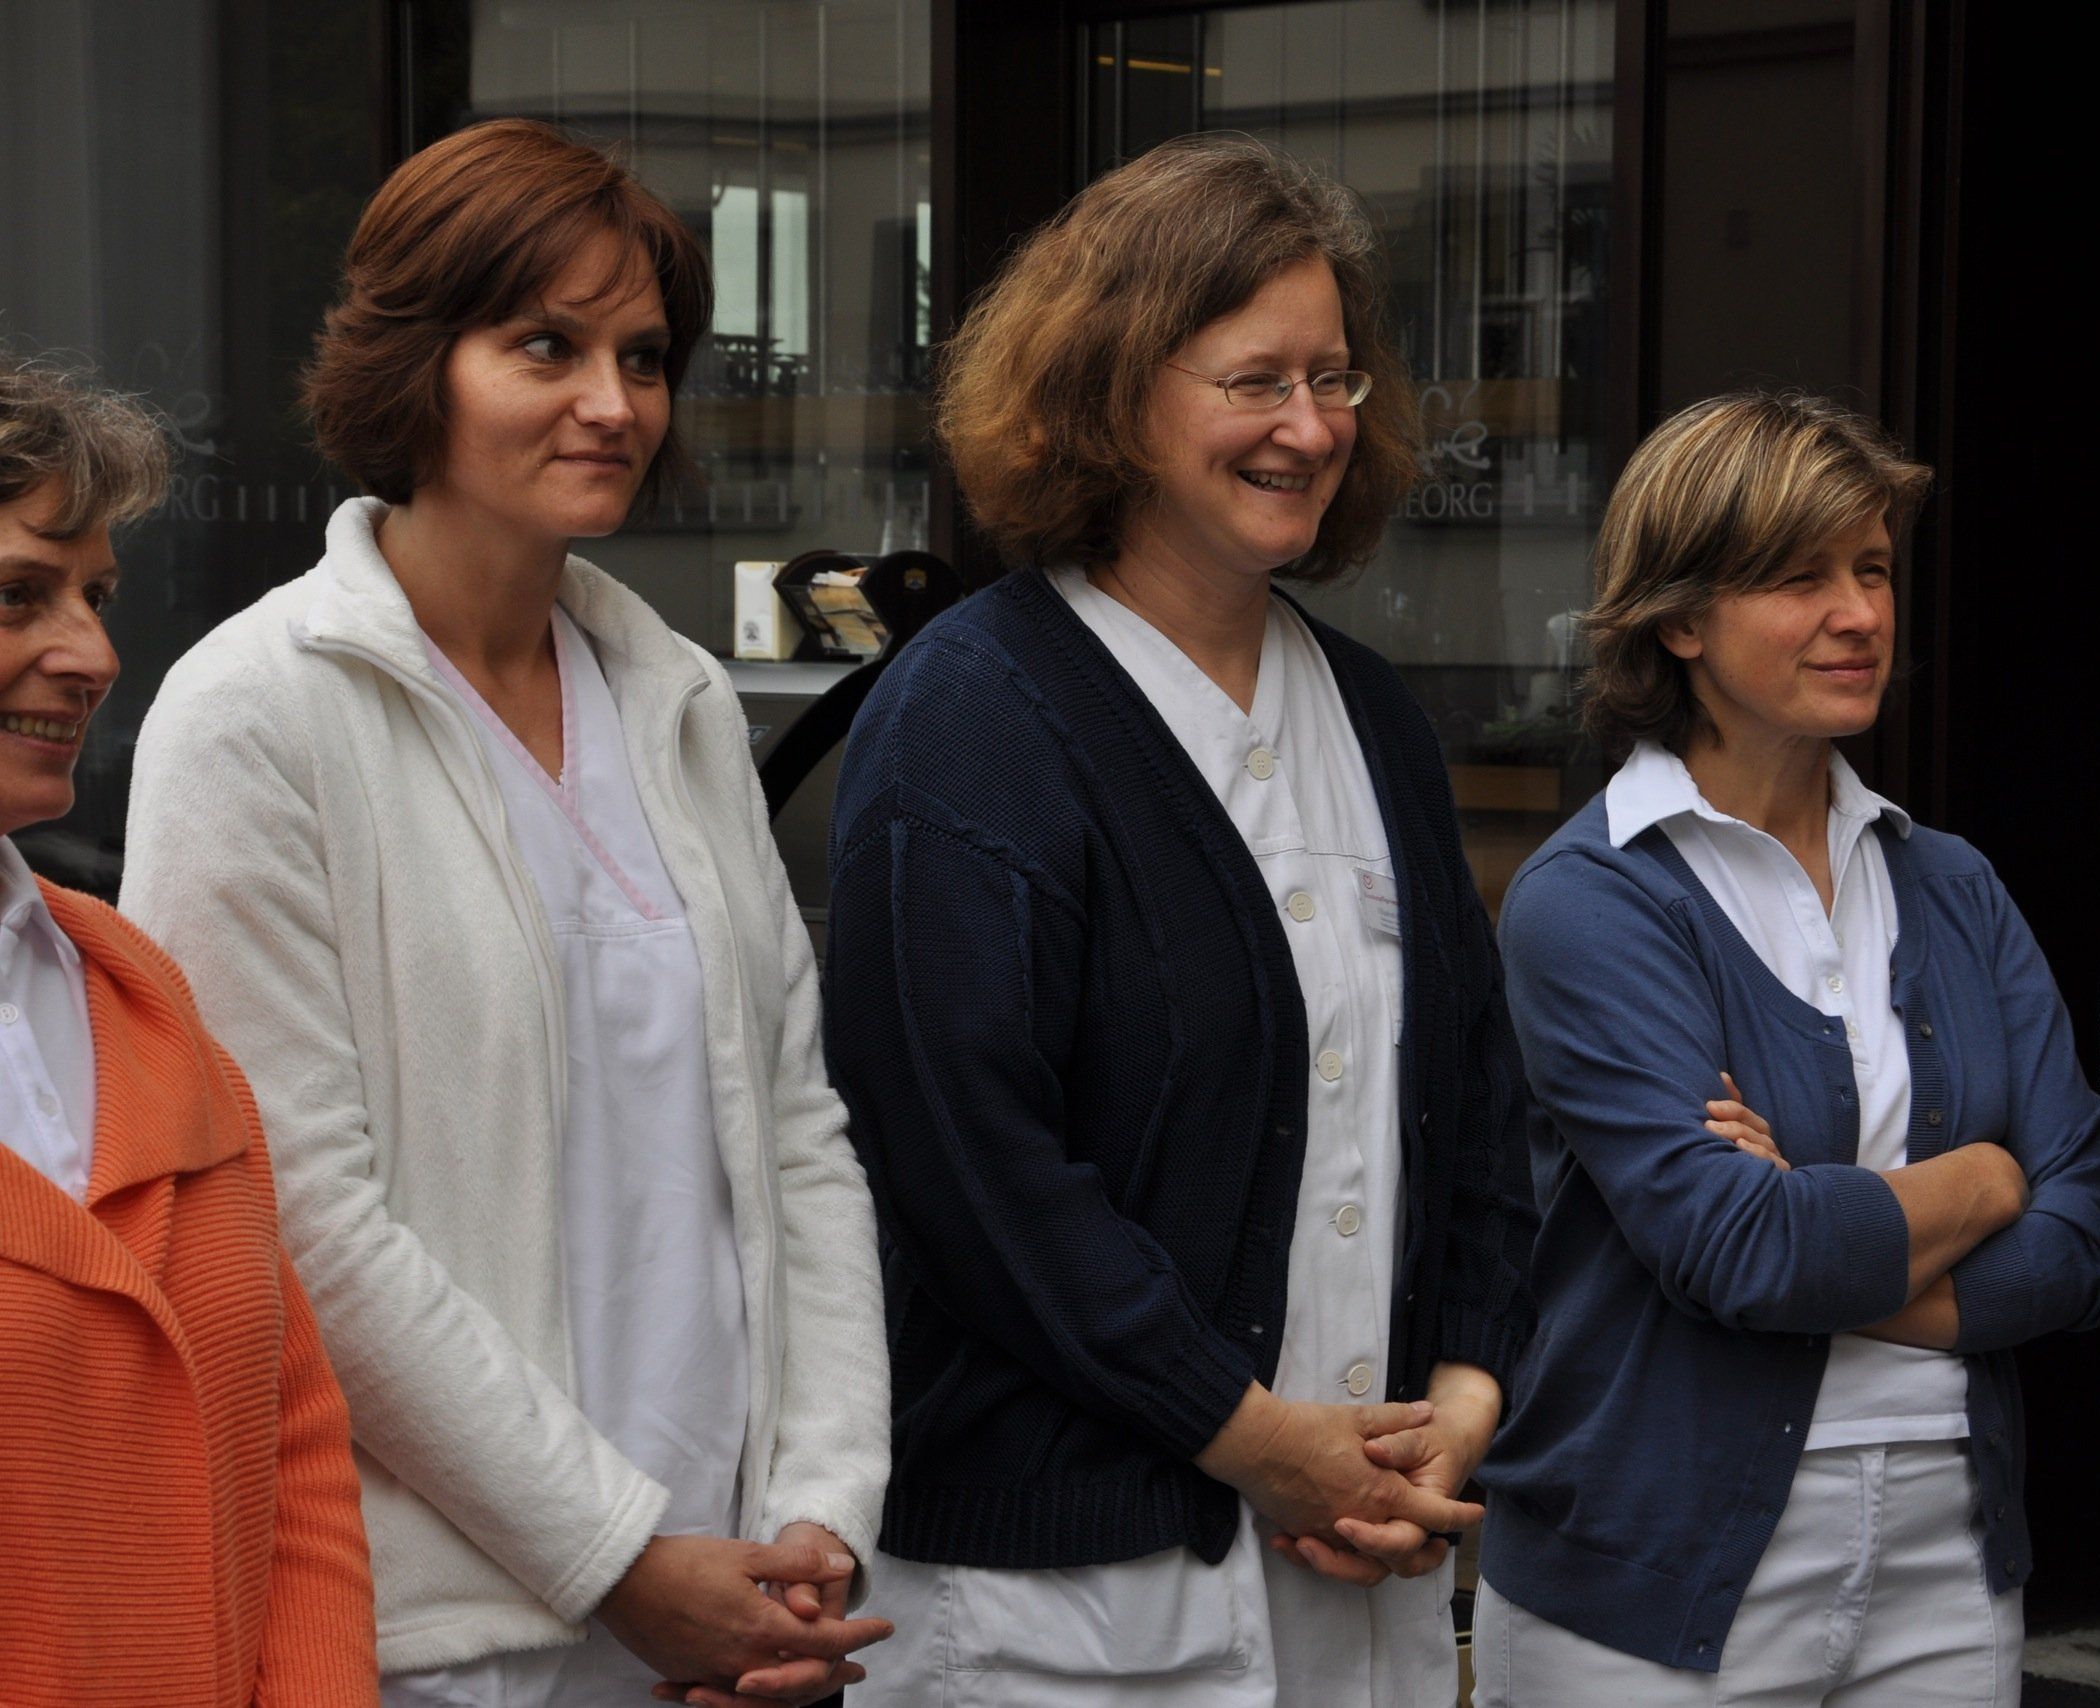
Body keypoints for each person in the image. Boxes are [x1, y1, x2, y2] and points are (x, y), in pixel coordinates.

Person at [119, 119, 891, 1708]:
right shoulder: (256, 713)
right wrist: (617, 1558)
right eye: (547, 345)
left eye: (643, 356)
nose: (614, 403)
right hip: (455, 1637)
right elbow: (294, 1214)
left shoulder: (677, 698)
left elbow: (797, 1136)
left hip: (738, 1595)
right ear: (418, 362)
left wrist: (824, 1513)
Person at [821, 134, 1536, 1707]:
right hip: (1071, 1603)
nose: (1310, 427)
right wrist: (1254, 1438)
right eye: (1254, 381)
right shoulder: (971, 719)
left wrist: (1462, 1402)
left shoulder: (1373, 716)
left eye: (1334, 380)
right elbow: (974, 1176)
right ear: (1109, 394)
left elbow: (1480, 1110)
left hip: (1363, 1569)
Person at [1470, 392, 2100, 1707]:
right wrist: (1988, 1179)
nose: (1860, 613)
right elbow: (1739, 1247)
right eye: (1799, 578)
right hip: (1651, 1570)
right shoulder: (1594, 899)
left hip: (1949, 1560)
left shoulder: (1952, 884)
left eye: (1872, 569)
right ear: (1679, 619)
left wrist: (1825, 1240)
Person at [0, 354, 376, 1704]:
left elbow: (296, 1442)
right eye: (18, 595)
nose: (94, 656)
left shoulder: (136, 994)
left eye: (96, 597)